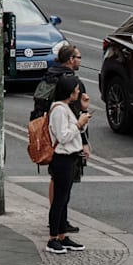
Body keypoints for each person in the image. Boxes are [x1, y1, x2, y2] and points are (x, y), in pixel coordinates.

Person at [31, 43, 89, 233]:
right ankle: (57, 230)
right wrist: (84, 138)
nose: (80, 60)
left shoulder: (50, 75)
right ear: (71, 59)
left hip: (50, 140)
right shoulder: (71, 83)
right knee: (63, 192)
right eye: (78, 57)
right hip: (63, 148)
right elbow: (69, 129)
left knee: (56, 184)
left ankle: (59, 225)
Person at [44, 74, 90, 255]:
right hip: (61, 158)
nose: (79, 92)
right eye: (77, 90)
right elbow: (63, 136)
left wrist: (83, 114)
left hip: (70, 157)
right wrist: (79, 124)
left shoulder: (67, 108)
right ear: (69, 91)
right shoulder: (58, 110)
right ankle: (53, 237)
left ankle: (62, 235)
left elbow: (75, 131)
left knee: (65, 199)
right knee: (59, 200)